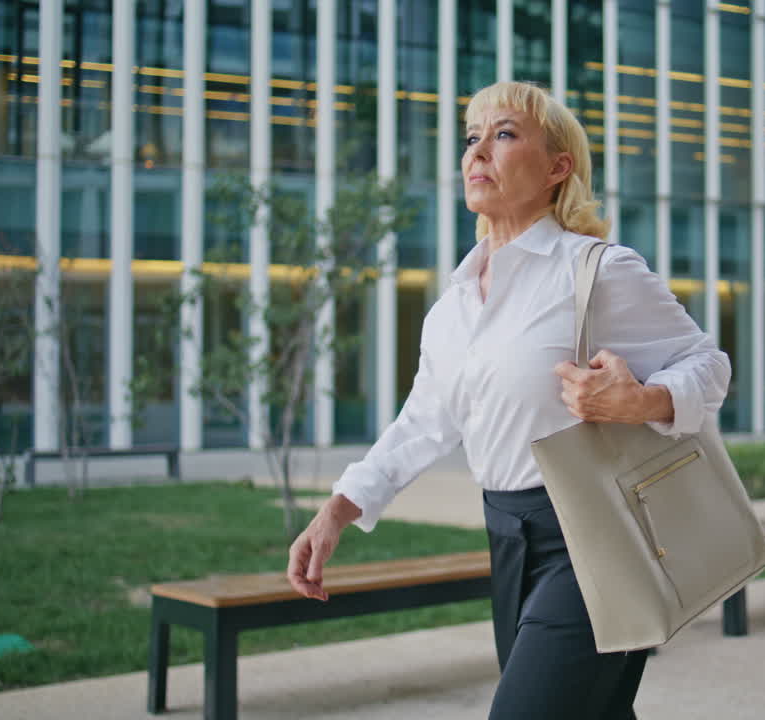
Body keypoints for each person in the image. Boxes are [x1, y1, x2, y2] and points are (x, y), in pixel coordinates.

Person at [287, 81, 731, 720]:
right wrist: (336, 511)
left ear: (557, 168)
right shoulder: (455, 305)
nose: (477, 153)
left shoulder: (597, 270)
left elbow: (708, 367)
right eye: (472, 138)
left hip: (594, 535)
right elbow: (425, 422)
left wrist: (645, 400)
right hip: (509, 538)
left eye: (503, 134)